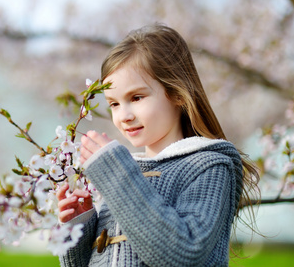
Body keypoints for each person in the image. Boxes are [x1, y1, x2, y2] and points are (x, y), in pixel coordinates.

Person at [56, 23, 259, 266]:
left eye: (136, 97)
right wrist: (80, 226)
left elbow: (182, 255)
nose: (124, 116)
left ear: (177, 94)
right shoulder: (128, 171)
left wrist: (117, 175)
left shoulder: (209, 166)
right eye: (114, 104)